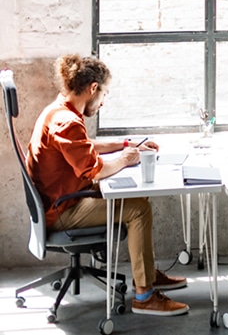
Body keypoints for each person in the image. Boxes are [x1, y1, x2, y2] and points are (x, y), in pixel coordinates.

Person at [27, 55, 190, 316]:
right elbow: (95, 169)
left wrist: (126, 144)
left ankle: (145, 276)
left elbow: (85, 146)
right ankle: (145, 297)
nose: (103, 101)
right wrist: (126, 159)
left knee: (139, 202)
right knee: (137, 209)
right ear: (93, 88)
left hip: (62, 201)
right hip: (63, 211)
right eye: (104, 94)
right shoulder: (66, 122)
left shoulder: (58, 111)